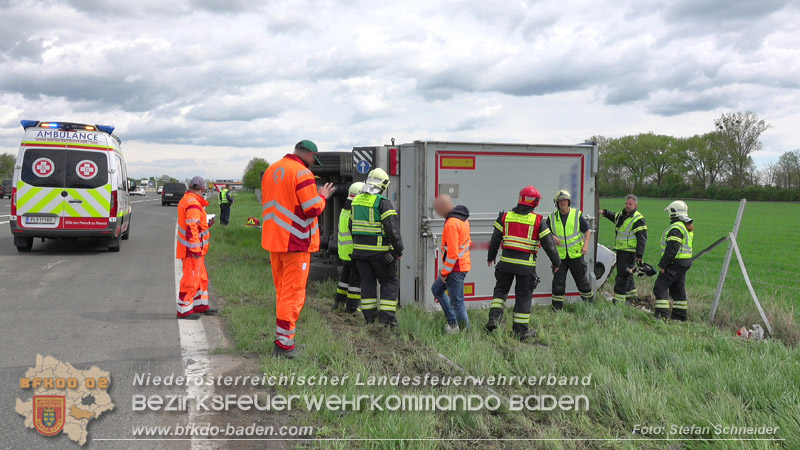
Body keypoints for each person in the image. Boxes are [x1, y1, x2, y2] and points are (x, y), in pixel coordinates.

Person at [261, 140, 335, 359]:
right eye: (314, 159)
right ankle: (284, 346)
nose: (314, 164)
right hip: (296, 242)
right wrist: (323, 195)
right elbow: (312, 208)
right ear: (309, 155)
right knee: (292, 294)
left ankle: (283, 341)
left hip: (274, 240)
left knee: (282, 292)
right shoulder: (302, 174)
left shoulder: (271, 170)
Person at [486, 186, 561, 340]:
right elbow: (549, 245)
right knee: (523, 297)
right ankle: (520, 332)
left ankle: (494, 319)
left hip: (505, 263)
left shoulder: (505, 217)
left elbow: (495, 239)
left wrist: (491, 256)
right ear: (535, 202)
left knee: (500, 292)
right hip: (525, 267)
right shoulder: (538, 220)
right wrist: (557, 262)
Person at [350, 168, 404, 326]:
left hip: (360, 253)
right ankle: (386, 321)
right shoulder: (382, 202)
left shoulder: (356, 201)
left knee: (367, 284)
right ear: (384, 185)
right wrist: (397, 250)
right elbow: (392, 229)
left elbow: (350, 225)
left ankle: (369, 319)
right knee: (389, 283)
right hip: (380, 254)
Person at [176, 176, 217, 319]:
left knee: (200, 278)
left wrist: (206, 224)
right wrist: (195, 249)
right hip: (192, 250)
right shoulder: (193, 203)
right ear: (203, 188)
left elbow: (195, 225)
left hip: (194, 248)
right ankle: (184, 310)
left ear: (189, 186)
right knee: (191, 279)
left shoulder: (188, 200)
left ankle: (200, 305)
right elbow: (191, 227)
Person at [430, 194, 471, 333]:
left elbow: (452, 253)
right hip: (459, 265)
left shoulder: (451, 223)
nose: (436, 212)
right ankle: (453, 323)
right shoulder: (461, 218)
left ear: (443, 208)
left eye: (437, 209)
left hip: (455, 268)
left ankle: (465, 333)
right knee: (437, 289)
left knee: (457, 303)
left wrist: (444, 273)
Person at [547, 190, 594, 311]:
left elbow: (587, 231)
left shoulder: (577, 215)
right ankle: (557, 309)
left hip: (576, 255)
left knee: (582, 282)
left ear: (568, 202)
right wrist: (552, 236)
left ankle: (589, 305)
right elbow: (544, 233)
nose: (562, 203)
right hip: (559, 257)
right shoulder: (552, 218)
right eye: (560, 201)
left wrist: (586, 245)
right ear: (557, 204)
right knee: (558, 284)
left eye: (564, 201)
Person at [599, 194, 647, 305]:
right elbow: (614, 216)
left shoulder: (638, 219)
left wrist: (639, 255)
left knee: (622, 275)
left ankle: (619, 301)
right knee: (628, 274)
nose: (627, 206)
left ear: (635, 205)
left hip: (629, 252)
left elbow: (642, 238)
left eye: (630, 204)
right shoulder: (623, 215)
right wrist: (605, 212)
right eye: (626, 203)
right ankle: (632, 297)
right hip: (622, 251)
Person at [653, 201, 694, 321]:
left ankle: (662, 316)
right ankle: (679, 317)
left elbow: (672, 249)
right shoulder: (685, 226)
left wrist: (663, 264)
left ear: (673, 212)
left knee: (660, 287)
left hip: (675, 263)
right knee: (677, 289)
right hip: (684, 262)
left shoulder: (676, 228)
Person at [334, 182, 365, 313]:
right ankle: (352, 308)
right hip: (353, 251)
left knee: (344, 279)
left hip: (344, 252)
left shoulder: (345, 210)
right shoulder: (354, 211)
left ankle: (339, 302)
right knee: (355, 281)